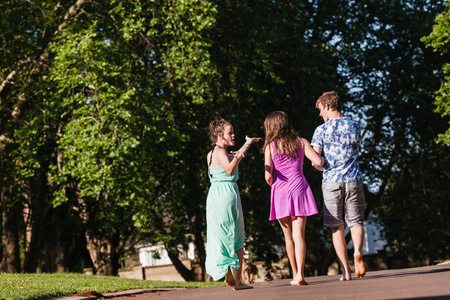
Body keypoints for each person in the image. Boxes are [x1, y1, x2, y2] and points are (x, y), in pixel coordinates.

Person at [311, 91, 367, 281]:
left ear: (327, 106)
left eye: (320, 110)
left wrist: (321, 165)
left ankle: (345, 271)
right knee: (356, 221)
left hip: (331, 182)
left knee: (337, 227)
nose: (320, 114)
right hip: (354, 179)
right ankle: (357, 252)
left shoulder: (321, 130)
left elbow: (316, 161)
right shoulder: (356, 126)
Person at [263, 111, 324, 286]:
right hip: (300, 189)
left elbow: (268, 177)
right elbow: (318, 162)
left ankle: (295, 273)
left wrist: (276, 186)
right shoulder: (301, 142)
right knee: (300, 235)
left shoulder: (270, 147)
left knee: (288, 237)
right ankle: (301, 275)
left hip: (280, 192)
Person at [205, 119, 260, 290]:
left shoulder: (212, 153)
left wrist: (241, 150)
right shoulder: (220, 151)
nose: (233, 135)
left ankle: (230, 271)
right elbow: (229, 170)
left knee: (221, 235)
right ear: (220, 136)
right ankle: (237, 279)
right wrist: (243, 149)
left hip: (216, 195)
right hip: (226, 196)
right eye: (230, 132)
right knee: (235, 235)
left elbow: (228, 166)